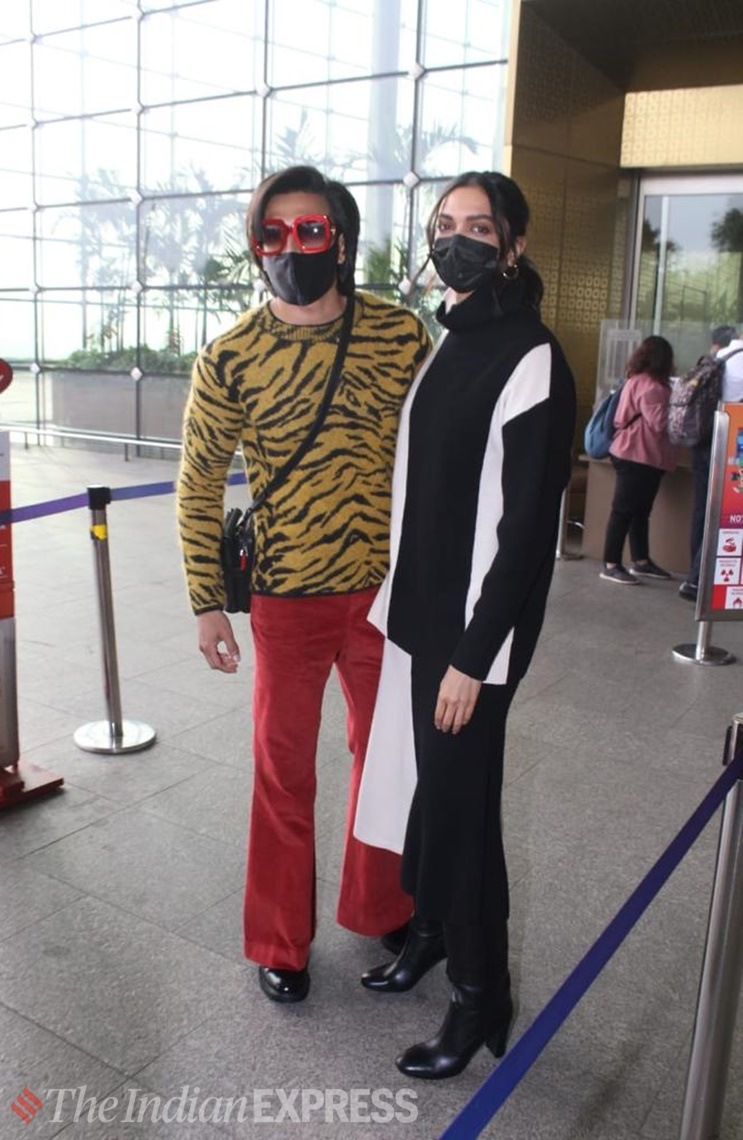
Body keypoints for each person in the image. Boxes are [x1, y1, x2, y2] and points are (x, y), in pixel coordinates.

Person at [176, 165, 431, 1004]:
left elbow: (440, 458)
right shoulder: (231, 356)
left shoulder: (400, 338)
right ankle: (280, 940)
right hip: (286, 597)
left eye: (310, 230)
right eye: (273, 234)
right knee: (282, 771)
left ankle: (380, 902)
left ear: (342, 238)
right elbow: (198, 479)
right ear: (257, 249)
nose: (292, 247)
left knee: (383, 756)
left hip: (386, 593)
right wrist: (207, 600)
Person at [354, 171, 576, 1080]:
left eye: (477, 227)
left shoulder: (530, 356)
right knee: (420, 791)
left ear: (513, 245)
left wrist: (471, 660)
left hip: (471, 638)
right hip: (420, 612)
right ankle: (432, 935)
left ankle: (481, 995)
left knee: (462, 810)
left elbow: (524, 532)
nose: (456, 240)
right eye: (443, 224)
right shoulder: (449, 339)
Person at [600, 335, 680, 585]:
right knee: (624, 511)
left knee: (639, 511)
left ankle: (641, 560)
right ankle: (611, 563)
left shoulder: (636, 379)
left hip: (639, 454)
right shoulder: (652, 386)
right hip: (637, 454)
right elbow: (660, 423)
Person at [680, 324, 740, 601]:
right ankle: (699, 579)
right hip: (733, 443)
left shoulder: (722, 357)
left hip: (705, 439)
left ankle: (697, 574)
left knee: (703, 509)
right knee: (727, 511)